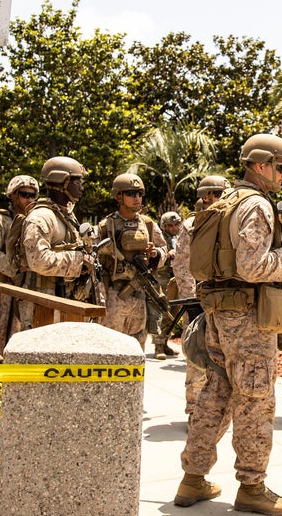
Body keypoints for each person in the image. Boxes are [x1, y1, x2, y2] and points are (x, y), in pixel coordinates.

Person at [175, 134, 282, 516]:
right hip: (249, 319)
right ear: (261, 165)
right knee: (256, 400)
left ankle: (192, 478)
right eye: (281, 167)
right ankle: (252, 486)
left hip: (219, 313)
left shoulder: (225, 201)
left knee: (215, 395)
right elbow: (252, 266)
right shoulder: (256, 205)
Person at [173, 175, 230, 413]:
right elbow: (182, 265)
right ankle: (194, 407)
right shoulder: (191, 225)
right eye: (218, 194)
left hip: (226, 302)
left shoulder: (231, 221)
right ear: (206, 197)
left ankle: (216, 411)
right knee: (196, 353)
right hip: (200, 300)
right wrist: (193, 300)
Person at [94, 173, 169, 353]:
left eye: (139, 193)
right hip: (114, 295)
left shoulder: (148, 224)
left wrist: (155, 254)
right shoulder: (106, 225)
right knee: (110, 347)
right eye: (131, 193)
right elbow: (94, 257)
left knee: (136, 347)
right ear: (118, 196)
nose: (137, 198)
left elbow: (164, 249)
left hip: (140, 294)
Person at [22, 157, 96, 302]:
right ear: (62, 183)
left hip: (63, 297)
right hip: (42, 301)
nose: (81, 188)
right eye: (77, 182)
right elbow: (38, 260)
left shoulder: (66, 215)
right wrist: (80, 260)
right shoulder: (41, 217)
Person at [0, 175, 38, 353]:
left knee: (27, 334)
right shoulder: (0, 220)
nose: (30, 199)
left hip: (31, 287)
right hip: (5, 286)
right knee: (0, 333)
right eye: (25, 194)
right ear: (13, 195)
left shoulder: (36, 220)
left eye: (33, 195)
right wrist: (16, 269)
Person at [150, 210, 184, 358]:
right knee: (162, 309)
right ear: (164, 226)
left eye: (176, 224)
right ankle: (158, 345)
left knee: (174, 311)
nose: (174, 228)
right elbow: (154, 255)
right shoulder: (160, 238)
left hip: (176, 276)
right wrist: (167, 254)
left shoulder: (182, 236)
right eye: (170, 225)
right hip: (162, 276)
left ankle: (165, 343)